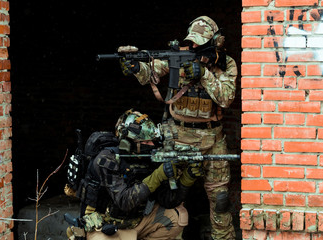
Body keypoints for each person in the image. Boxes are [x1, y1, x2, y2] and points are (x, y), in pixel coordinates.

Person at [119, 16, 237, 240]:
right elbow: (151, 72)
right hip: (179, 136)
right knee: (172, 196)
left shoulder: (226, 63)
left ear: (215, 42)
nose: (193, 47)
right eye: (191, 41)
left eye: (199, 43)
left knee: (220, 199)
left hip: (213, 138)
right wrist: (136, 66)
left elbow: (227, 98)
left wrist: (204, 74)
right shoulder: (179, 54)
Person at [65, 110, 203, 240]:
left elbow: (168, 200)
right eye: (145, 142)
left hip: (136, 222)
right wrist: (158, 175)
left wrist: (188, 177)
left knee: (176, 217)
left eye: (152, 141)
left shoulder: (148, 156)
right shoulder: (106, 159)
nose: (151, 145)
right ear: (127, 143)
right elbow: (124, 201)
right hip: (105, 226)